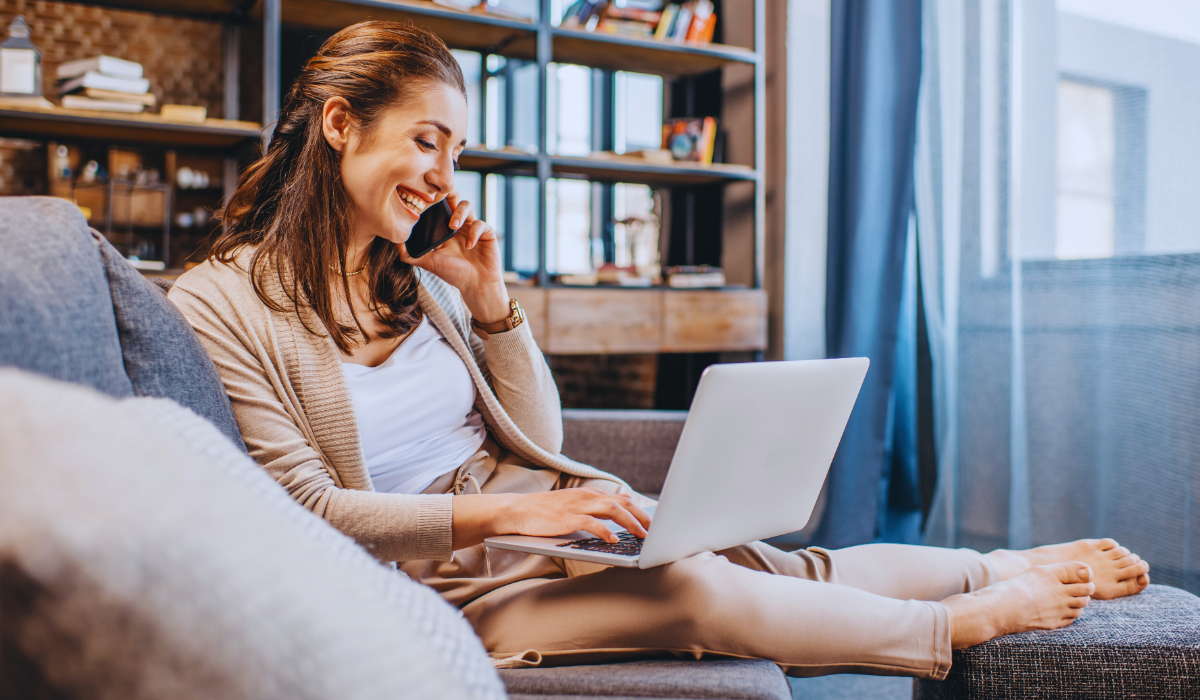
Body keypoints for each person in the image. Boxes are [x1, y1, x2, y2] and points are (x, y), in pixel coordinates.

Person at [169, 21, 1151, 679]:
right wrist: (527, 512)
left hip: (531, 521)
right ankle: (955, 627)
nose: (444, 175)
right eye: (427, 142)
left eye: (456, 153)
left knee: (771, 563)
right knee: (694, 587)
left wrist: (492, 304)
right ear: (341, 125)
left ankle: (996, 564)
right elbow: (305, 508)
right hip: (442, 583)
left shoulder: (417, 278)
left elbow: (539, 438)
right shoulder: (222, 301)